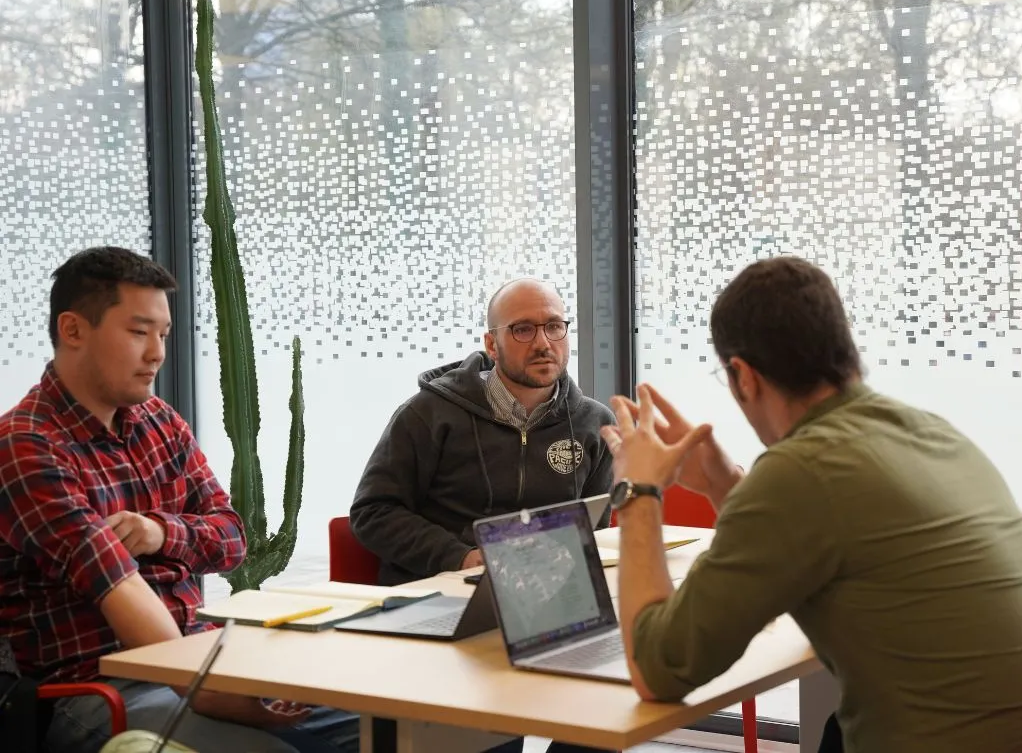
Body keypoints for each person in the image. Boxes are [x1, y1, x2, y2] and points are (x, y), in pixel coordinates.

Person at [599, 256, 1022, 753]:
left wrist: (639, 491)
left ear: (744, 376)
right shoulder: (931, 432)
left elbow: (657, 669)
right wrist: (725, 482)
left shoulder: (801, 472)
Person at [0, 247, 357, 753]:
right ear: (73, 330)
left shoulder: (158, 421)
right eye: (138, 331)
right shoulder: (25, 444)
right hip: (98, 689)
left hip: (201, 655)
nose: (157, 353)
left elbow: (233, 538)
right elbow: (117, 585)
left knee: (405, 724)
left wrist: (162, 532)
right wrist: (209, 694)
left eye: (163, 334)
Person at [351, 277, 616, 584]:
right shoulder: (428, 415)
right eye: (523, 329)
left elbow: (594, 530)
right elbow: (373, 512)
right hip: (440, 591)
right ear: (492, 345)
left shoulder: (595, 424)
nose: (543, 343)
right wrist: (460, 558)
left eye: (554, 326)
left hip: (543, 595)